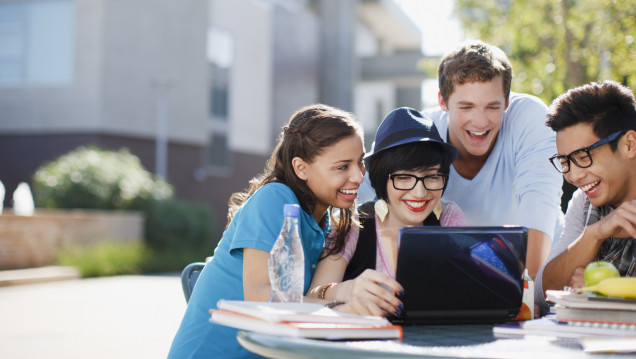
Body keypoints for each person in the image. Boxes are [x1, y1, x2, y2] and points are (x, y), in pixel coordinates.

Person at [167, 104, 367, 359]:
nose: (359, 177)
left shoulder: (326, 223)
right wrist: (343, 308)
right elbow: (261, 297)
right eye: (342, 167)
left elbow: (301, 304)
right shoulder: (275, 198)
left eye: (360, 163)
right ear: (301, 168)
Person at [419, 40, 564, 285]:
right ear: (443, 102)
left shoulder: (529, 117)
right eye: (466, 107)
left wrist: (528, 291)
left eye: (492, 107)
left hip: (544, 267)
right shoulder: (421, 133)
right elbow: (374, 206)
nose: (480, 122)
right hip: (459, 272)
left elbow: (539, 202)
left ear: (507, 101)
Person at [307, 107, 465, 317]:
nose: (420, 192)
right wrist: (344, 296)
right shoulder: (354, 223)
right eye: (403, 178)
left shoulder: (448, 218)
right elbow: (313, 295)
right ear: (382, 178)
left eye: (432, 177)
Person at [536, 80, 636, 315]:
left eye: (582, 156)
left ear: (629, 145)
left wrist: (603, 293)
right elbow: (543, 292)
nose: (573, 175)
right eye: (564, 162)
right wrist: (593, 235)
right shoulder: (584, 202)